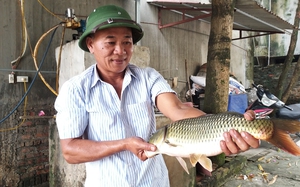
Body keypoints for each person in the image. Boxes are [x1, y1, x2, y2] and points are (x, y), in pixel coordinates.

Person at [54, 4, 259, 187]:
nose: (120, 50)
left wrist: (230, 128)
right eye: (110, 42)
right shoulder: (75, 90)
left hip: (154, 182)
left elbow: (177, 110)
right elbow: (71, 151)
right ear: (90, 44)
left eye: (127, 42)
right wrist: (124, 144)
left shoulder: (148, 78)